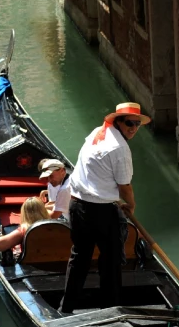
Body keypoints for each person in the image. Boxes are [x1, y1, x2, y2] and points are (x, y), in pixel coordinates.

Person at [60, 102, 149, 313]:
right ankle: (111, 309)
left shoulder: (97, 132)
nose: (134, 128)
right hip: (101, 212)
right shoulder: (120, 149)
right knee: (110, 261)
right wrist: (132, 206)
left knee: (79, 258)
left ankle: (66, 308)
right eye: (129, 123)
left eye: (137, 124)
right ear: (118, 121)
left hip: (77, 206)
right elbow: (125, 186)